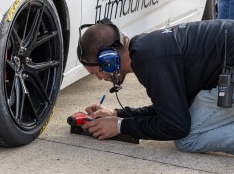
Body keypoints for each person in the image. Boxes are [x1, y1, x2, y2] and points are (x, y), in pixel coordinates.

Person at [77, 18, 234, 154]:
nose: (99, 78)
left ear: (109, 60)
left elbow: (176, 126)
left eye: (97, 72)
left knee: (188, 139)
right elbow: (171, 110)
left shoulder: (149, 61)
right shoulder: (146, 49)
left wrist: (119, 126)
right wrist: (118, 114)